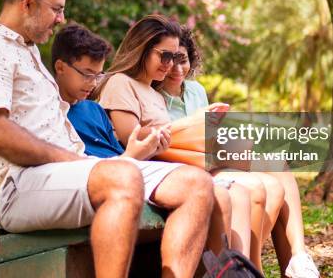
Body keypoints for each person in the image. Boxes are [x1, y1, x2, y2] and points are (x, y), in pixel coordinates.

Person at [0, 0, 217, 278]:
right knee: (122, 177)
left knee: (196, 185)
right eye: (57, 8)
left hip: (69, 174)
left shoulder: (27, 52)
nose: (62, 18)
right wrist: (74, 161)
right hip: (19, 186)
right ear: (29, 3)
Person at [92, 14, 276, 273]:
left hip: (169, 169)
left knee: (243, 192)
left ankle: (238, 270)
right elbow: (134, 140)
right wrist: (194, 124)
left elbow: (168, 140)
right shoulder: (121, 83)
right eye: (164, 56)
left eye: (175, 57)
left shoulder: (153, 91)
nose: (169, 65)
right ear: (142, 49)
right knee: (224, 194)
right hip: (141, 172)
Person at [51, 22, 249, 256]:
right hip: (117, 176)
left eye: (97, 75)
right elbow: (123, 146)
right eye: (87, 74)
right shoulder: (55, 110)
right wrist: (192, 125)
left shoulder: (95, 110)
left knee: (232, 188)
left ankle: (234, 269)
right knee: (214, 188)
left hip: (135, 169)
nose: (93, 83)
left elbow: (119, 151)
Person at [158, 25, 320, 278]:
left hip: (212, 159)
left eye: (183, 60)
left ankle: (299, 258)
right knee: (264, 188)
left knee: (277, 164)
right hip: (188, 167)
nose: (177, 69)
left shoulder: (196, 91)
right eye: (170, 60)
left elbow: (212, 137)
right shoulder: (153, 95)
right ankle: (249, 267)